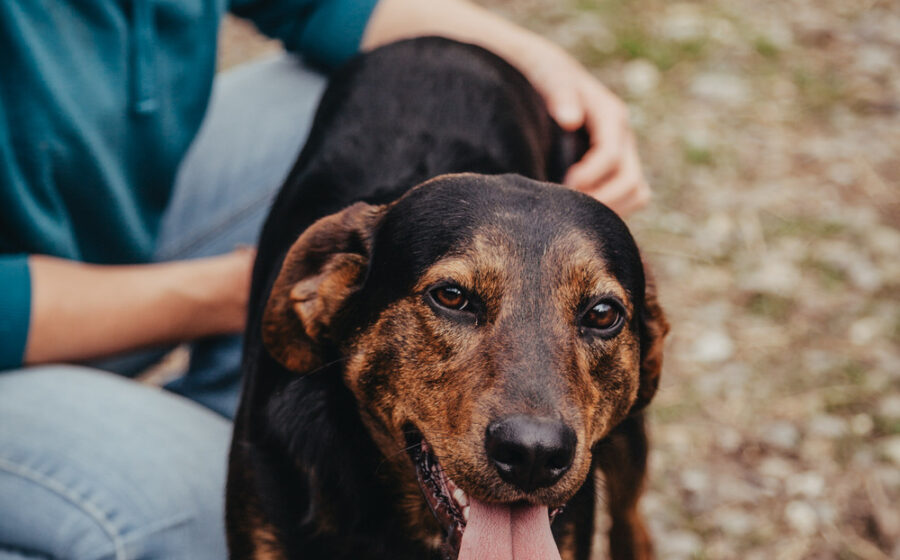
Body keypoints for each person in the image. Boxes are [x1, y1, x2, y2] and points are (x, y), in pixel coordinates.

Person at [0, 0, 650, 557]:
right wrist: (234, 293)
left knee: (332, 77)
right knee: (187, 518)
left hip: (90, 220)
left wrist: (544, 71)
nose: (536, 435)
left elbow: (322, 4)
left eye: (600, 316)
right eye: (453, 296)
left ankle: (198, 402)